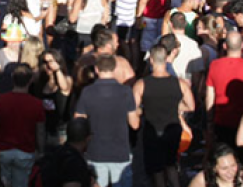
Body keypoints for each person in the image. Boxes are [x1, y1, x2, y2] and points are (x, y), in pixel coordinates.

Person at [134, 44, 194, 187]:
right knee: (171, 165)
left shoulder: (141, 84)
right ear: (167, 59)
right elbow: (191, 106)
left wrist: (145, 109)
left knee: (157, 171)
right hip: (173, 130)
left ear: (151, 61)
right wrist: (176, 107)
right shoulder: (180, 83)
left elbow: (133, 108)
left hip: (152, 131)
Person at [74, 54, 138, 187]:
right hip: (121, 151)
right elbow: (135, 124)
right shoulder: (126, 91)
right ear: (114, 69)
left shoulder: (87, 91)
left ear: (96, 69)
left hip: (95, 150)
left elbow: (78, 120)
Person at [0, 63, 45, 187]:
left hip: (2, 151)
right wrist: (41, 151)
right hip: (25, 152)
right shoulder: (37, 104)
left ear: (12, 78)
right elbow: (40, 131)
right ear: (30, 81)